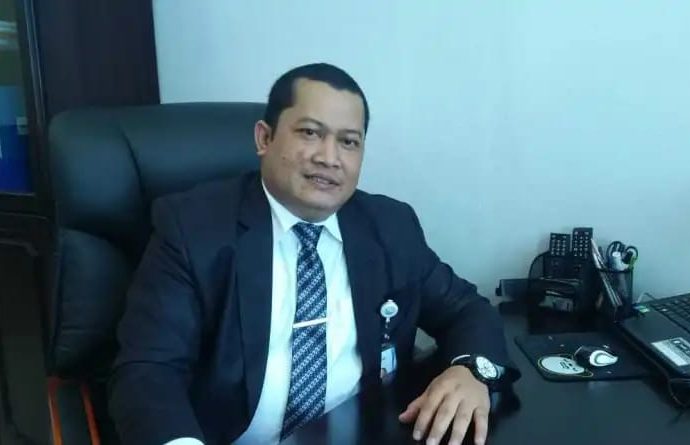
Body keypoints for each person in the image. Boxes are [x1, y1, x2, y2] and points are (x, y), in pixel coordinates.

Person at [109, 63, 519, 445]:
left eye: (348, 142)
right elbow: (149, 371)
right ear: (264, 138)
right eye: (309, 133)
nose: (329, 157)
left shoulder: (390, 226)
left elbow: (466, 309)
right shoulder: (192, 227)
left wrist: (471, 370)